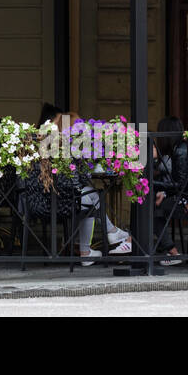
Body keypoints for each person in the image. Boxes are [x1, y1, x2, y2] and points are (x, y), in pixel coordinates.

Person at [54, 111, 132, 264]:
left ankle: (89, 250)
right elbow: (81, 178)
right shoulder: (72, 147)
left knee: (91, 197)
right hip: (65, 200)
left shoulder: (53, 144)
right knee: (92, 197)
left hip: (51, 198)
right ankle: (107, 236)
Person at [151, 115, 188, 266]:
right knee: (150, 205)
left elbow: (179, 183)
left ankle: (172, 252)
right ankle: (136, 242)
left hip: (185, 199)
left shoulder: (180, 151)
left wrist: (155, 186)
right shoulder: (177, 149)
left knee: (152, 211)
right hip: (181, 195)